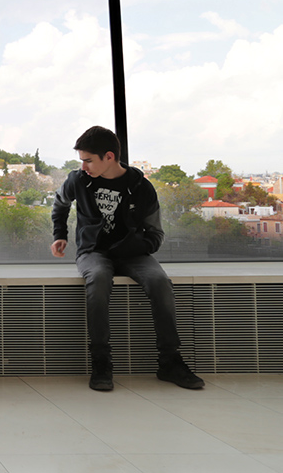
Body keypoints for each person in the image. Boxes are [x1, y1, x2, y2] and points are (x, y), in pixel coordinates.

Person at [51, 125, 204, 391]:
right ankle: (101, 361)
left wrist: (135, 246)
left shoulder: (141, 187)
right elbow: (60, 203)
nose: (83, 166)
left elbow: (156, 234)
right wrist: (59, 234)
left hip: (133, 254)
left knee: (159, 281)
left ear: (109, 156)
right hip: (94, 252)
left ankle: (170, 361)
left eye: (88, 160)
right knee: (97, 280)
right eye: (82, 161)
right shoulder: (78, 180)